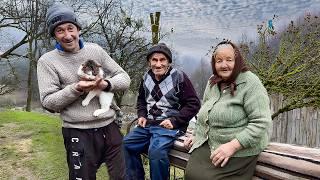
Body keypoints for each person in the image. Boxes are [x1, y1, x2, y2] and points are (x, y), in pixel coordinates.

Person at [37, 4, 130, 180]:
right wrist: (76, 88)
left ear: (78, 29)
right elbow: (48, 102)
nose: (67, 35)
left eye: (70, 28)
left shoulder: (95, 50)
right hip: (77, 132)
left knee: (121, 177)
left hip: (110, 128)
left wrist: (106, 84)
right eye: (60, 31)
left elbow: (124, 78)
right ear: (54, 35)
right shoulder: (47, 62)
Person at [184, 40, 272, 180]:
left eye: (229, 60)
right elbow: (205, 112)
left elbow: (262, 122)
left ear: (237, 61)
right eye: (219, 61)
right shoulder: (212, 82)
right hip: (212, 142)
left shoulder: (251, 83)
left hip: (240, 148)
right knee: (191, 174)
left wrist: (232, 146)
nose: (224, 65)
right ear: (214, 63)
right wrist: (197, 134)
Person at [123, 43, 201, 180]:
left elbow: (194, 104)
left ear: (169, 62)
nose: (158, 64)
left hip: (170, 126)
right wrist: (141, 115)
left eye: (162, 60)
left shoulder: (179, 77)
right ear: (149, 62)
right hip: (147, 125)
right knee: (125, 144)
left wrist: (175, 121)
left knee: (156, 152)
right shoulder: (146, 77)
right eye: (154, 60)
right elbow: (141, 99)